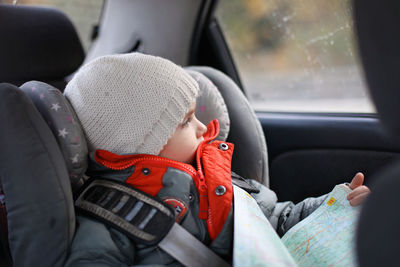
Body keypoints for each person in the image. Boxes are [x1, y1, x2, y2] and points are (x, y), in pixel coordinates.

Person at [63, 53, 370, 266]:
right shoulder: (110, 215)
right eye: (185, 121)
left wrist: (328, 209)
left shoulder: (218, 177)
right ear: (135, 144)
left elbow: (277, 220)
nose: (202, 127)